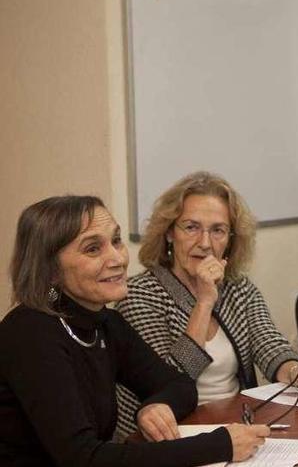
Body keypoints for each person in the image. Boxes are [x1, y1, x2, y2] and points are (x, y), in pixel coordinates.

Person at [0, 196, 269, 466]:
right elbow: (84, 458)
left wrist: (156, 405)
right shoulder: (31, 333)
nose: (117, 258)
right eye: (93, 249)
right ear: (51, 270)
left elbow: (179, 385)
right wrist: (219, 445)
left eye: (116, 241)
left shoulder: (105, 322)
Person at [116, 172, 298, 436]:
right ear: (170, 232)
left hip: (233, 423)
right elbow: (167, 383)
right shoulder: (139, 294)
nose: (205, 243)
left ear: (230, 240)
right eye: (191, 227)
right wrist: (205, 302)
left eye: (217, 230)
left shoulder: (238, 287)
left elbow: (271, 346)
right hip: (168, 436)